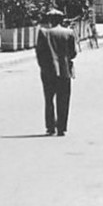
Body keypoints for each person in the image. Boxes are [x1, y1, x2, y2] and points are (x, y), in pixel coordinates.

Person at [34, 7, 78, 136]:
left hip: (48, 71)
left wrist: (43, 67)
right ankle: (61, 127)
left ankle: (50, 127)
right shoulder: (69, 33)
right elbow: (73, 53)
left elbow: (39, 53)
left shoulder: (43, 33)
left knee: (49, 100)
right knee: (63, 99)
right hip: (65, 71)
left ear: (50, 21)